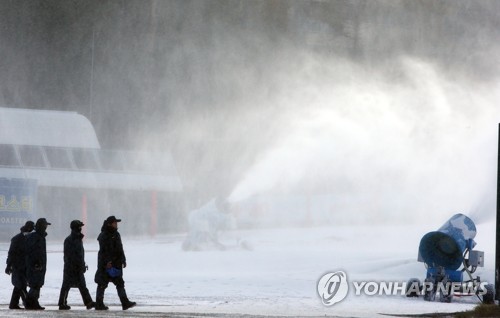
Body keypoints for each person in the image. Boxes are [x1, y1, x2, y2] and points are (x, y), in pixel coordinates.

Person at [94, 216, 136, 310]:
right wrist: (107, 262)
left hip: (116, 264)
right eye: (115, 223)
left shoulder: (116, 234)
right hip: (106, 265)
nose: (116, 224)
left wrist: (123, 260)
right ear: (109, 224)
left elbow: (120, 248)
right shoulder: (103, 235)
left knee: (120, 283)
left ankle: (125, 303)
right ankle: (99, 304)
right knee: (102, 284)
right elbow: (104, 251)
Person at [58, 220, 95, 310]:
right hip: (71, 268)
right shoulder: (70, 240)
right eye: (79, 227)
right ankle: (62, 303)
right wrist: (76, 265)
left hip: (77, 267)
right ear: (76, 228)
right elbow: (69, 255)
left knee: (82, 286)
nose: (81, 228)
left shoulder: (77, 239)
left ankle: (89, 302)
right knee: (66, 286)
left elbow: (80, 255)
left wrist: (82, 265)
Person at [5, 220, 34, 309]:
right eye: (32, 228)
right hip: (18, 266)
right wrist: (8, 265)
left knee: (18, 286)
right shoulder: (17, 239)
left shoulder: (26, 238)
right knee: (21, 285)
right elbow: (11, 253)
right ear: (29, 228)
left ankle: (13, 304)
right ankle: (28, 303)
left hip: (24, 266)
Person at [25, 218, 51, 310]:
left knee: (37, 284)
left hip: (38, 265)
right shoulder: (36, 237)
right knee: (35, 285)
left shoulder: (39, 236)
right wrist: (36, 263)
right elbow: (32, 251)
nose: (46, 227)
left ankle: (33, 303)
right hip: (35, 266)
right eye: (45, 225)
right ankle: (31, 303)